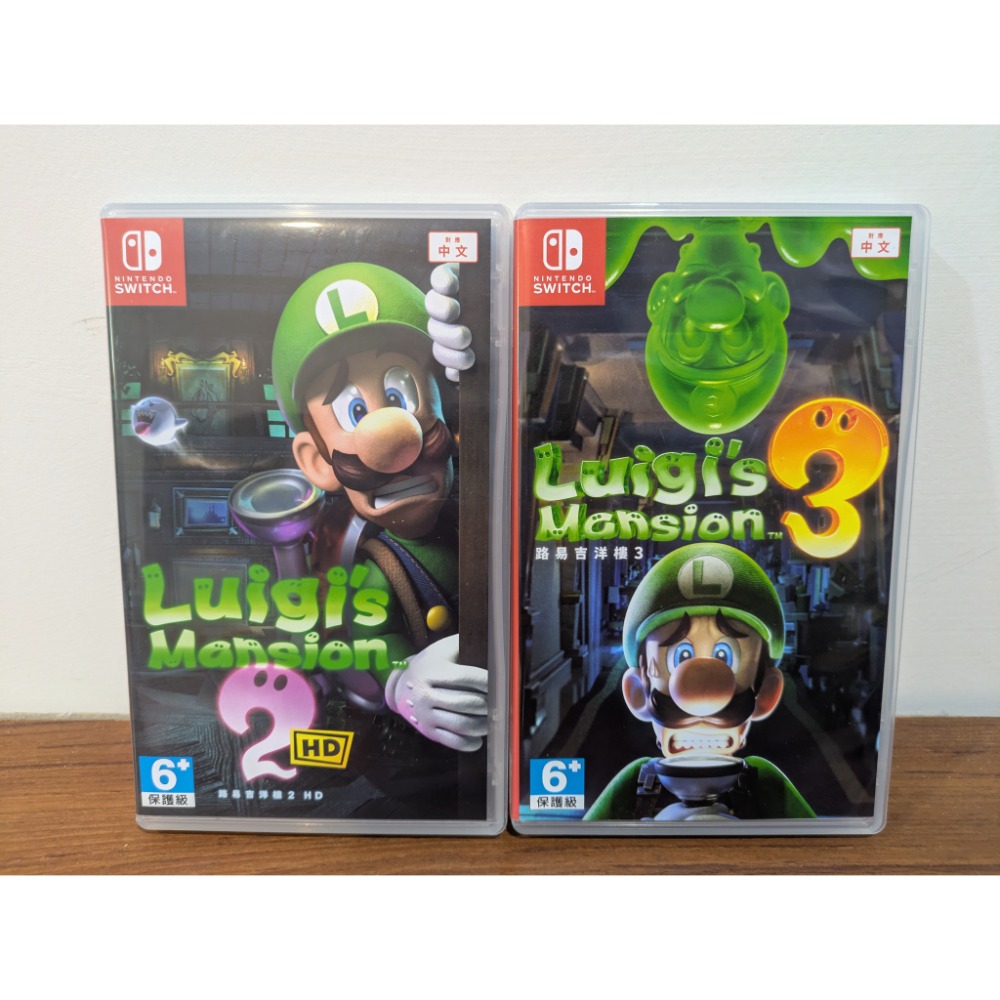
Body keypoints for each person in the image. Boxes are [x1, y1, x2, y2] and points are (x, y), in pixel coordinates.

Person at [271, 261, 488, 753]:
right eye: (354, 412)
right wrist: (401, 682)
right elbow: (371, 638)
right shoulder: (376, 567)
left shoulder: (474, 518)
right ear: (317, 462)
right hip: (428, 747)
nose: (392, 437)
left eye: (400, 394)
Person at [584, 542, 815, 820]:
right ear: (637, 692)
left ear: (766, 692)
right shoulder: (637, 781)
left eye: (724, 656)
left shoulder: (763, 781)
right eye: (681, 656)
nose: (702, 697)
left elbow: (818, 843)